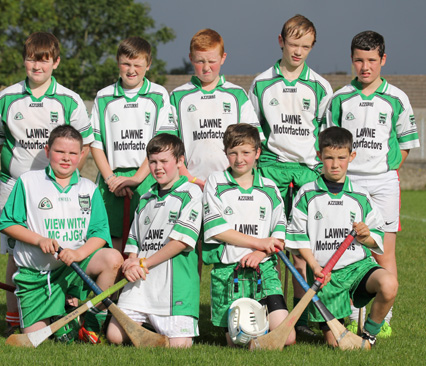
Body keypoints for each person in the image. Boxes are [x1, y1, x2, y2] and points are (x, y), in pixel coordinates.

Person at [0, 31, 94, 336]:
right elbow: (0, 143)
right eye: (32, 58)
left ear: (56, 62)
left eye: (44, 60)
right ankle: (13, 320)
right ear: (24, 59)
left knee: (63, 249)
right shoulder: (5, 98)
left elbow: (83, 144)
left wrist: (65, 179)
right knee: (16, 253)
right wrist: (23, 172)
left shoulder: (69, 100)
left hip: (56, 189)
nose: (37, 66)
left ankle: (63, 310)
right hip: (14, 185)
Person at [325, 30, 420, 336]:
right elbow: (329, 143)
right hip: (348, 184)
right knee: (351, 251)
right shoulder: (340, 99)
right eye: (358, 60)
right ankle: (354, 315)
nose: (365, 67)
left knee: (383, 252)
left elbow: (405, 144)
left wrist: (384, 171)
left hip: (383, 184)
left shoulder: (397, 98)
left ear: (383, 60)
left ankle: (384, 320)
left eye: (371, 60)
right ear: (351, 60)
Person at [248, 14, 333, 337]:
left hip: (307, 173)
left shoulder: (320, 86)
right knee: (269, 246)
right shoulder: (261, 83)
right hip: (270, 168)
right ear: (281, 41)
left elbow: (325, 135)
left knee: (301, 249)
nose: (298, 52)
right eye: (294, 44)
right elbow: (254, 131)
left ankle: (298, 319)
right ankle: (267, 312)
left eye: (306, 46)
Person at [0, 125, 123, 343]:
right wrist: (39, 240)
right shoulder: (28, 182)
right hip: (36, 276)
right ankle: (66, 312)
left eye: (73, 153)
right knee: (36, 339)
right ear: (47, 151)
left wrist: (77, 254)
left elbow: (100, 233)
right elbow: (8, 223)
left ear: (82, 155)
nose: (66, 158)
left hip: (73, 271)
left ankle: (92, 323)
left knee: (112, 257)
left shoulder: (88, 188)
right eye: (60, 152)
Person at [285, 126, 398, 347]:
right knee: (336, 345)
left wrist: (365, 236)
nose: (335, 164)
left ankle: (369, 335)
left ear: (351, 157)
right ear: (319, 156)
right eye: (328, 158)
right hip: (326, 275)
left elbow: (376, 236)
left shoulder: (360, 195)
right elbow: (298, 238)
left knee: (389, 284)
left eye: (341, 158)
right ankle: (335, 325)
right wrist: (314, 266)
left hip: (358, 267)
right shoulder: (307, 194)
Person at [202, 124, 295, 347]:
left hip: (263, 270)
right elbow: (217, 230)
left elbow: (279, 237)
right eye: (233, 153)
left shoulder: (270, 188)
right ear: (226, 153)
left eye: (246, 152)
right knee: (238, 341)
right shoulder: (215, 182)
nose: (239, 159)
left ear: (258, 153)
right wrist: (260, 244)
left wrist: (260, 253)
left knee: (287, 338)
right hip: (229, 272)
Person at [106, 133, 203, 348]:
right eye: (153, 162)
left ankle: (153, 332)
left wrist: (144, 263)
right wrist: (131, 263)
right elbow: (134, 243)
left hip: (174, 288)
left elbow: (181, 242)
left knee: (179, 346)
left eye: (164, 162)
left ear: (179, 161)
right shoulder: (146, 198)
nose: (158, 168)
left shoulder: (191, 193)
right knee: (114, 335)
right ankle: (150, 329)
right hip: (142, 283)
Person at [90, 36, 171, 253]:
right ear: (118, 63)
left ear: (148, 64)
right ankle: (112, 289)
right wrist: (111, 180)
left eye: (137, 65)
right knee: (111, 248)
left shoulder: (159, 94)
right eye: (126, 63)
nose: (131, 70)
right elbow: (95, 144)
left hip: (148, 178)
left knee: (146, 244)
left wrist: (136, 179)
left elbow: (162, 144)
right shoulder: (103, 97)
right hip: (112, 182)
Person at [157, 28, 262, 191]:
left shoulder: (237, 95)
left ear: (223, 58)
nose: (206, 67)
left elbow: (252, 142)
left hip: (230, 184)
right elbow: (169, 147)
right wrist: (189, 178)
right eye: (200, 61)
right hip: (189, 184)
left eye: (212, 61)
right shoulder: (177, 96)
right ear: (191, 58)